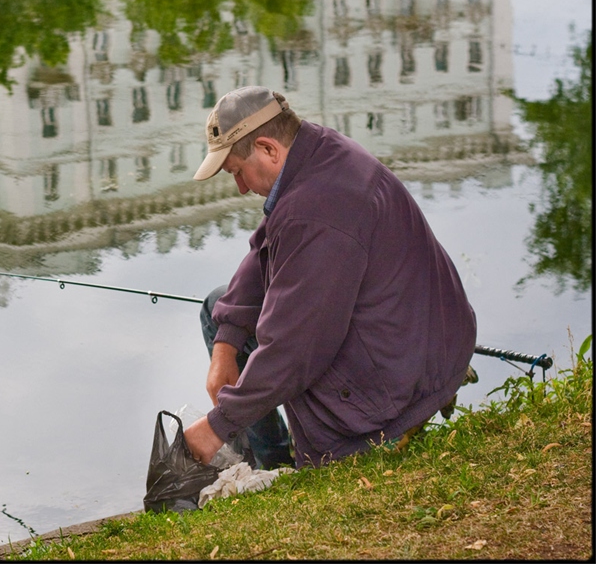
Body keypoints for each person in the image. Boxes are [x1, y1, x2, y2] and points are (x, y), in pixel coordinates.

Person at [183, 86, 477, 470]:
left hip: (399, 378)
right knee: (218, 307)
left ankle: (275, 469)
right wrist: (226, 344)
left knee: (282, 345)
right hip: (413, 338)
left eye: (237, 172)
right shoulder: (317, 150)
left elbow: (294, 347)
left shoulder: (317, 209)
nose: (240, 187)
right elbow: (264, 249)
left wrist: (216, 426)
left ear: (268, 148)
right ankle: (271, 458)